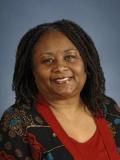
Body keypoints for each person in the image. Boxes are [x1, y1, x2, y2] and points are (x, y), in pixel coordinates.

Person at [0, 19, 120, 160]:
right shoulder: (17, 121)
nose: (61, 67)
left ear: (86, 63)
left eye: (70, 57)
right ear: (32, 70)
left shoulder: (108, 108)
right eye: (48, 60)